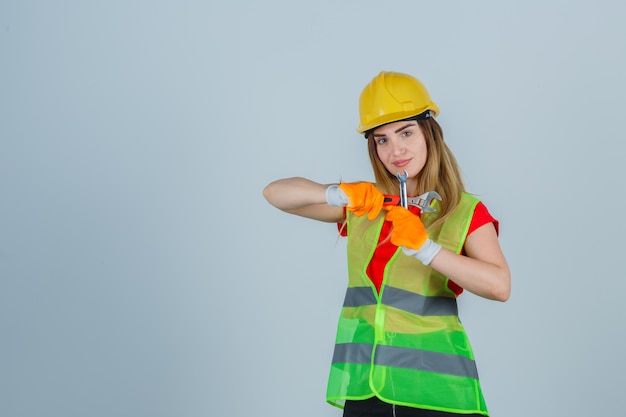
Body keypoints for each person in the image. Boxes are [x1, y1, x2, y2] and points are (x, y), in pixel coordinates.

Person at [263, 71, 510, 417]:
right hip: (366, 390)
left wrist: (428, 249)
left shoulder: (463, 210)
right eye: (381, 140)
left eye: (406, 133)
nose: (396, 151)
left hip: (436, 393)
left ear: (429, 133)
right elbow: (275, 194)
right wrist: (335, 192)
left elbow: (499, 286)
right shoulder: (367, 207)